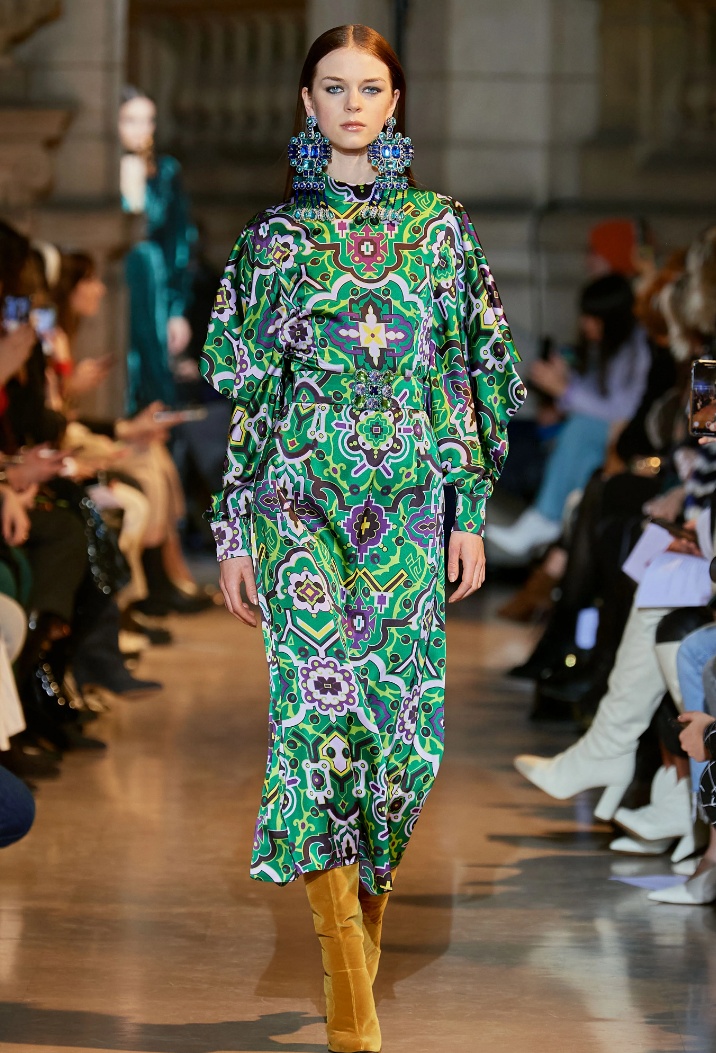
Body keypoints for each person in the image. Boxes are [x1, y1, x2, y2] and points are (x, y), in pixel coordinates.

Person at [200, 24, 525, 1053]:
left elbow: (468, 378)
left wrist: (468, 512)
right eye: (332, 87)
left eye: (369, 88)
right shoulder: (273, 240)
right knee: (316, 728)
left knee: (402, 744)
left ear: (394, 103)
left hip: (411, 507)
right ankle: (351, 998)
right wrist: (233, 531)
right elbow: (251, 399)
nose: (351, 105)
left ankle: (357, 941)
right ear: (306, 102)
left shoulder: (441, 230)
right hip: (296, 505)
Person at [487, 274, 651, 559]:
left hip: (623, 438)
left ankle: (546, 519)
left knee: (581, 427)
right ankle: (560, 526)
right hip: (592, 438)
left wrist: (565, 389)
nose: (584, 324)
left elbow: (620, 410)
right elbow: (598, 396)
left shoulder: (636, 351)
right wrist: (565, 380)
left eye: (592, 317)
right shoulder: (609, 349)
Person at [119, 86, 196, 415]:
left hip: (152, 281)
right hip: (116, 273)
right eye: (130, 120)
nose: (142, 129)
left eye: (148, 120)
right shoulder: (99, 172)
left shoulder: (164, 172)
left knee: (153, 366)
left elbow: (179, 241)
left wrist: (176, 309)